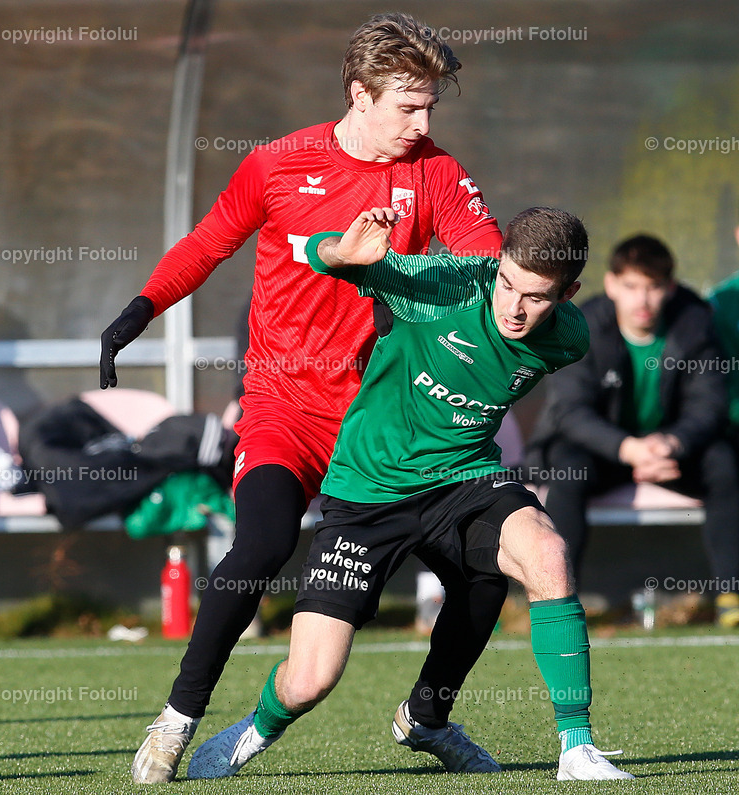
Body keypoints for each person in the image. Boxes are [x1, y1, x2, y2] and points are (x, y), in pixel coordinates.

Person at [101, 13, 507, 783]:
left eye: (431, 109)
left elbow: (485, 267)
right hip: (283, 405)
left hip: (385, 423)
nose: (423, 125)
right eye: (408, 108)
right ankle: (177, 719)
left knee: (484, 572)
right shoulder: (280, 164)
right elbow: (208, 243)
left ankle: (427, 716)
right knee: (258, 546)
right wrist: (140, 308)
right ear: (359, 94)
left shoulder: (437, 172)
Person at [186, 205, 633, 782]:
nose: (514, 309)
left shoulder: (568, 338)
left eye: (537, 297)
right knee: (310, 680)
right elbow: (319, 253)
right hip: (371, 487)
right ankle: (254, 730)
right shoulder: (446, 286)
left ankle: (575, 747)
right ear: (495, 264)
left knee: (546, 554)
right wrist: (340, 251)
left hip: (465, 477)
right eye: (507, 285)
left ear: (569, 293)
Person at [531, 234, 739, 624]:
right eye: (631, 286)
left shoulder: (695, 324)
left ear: (670, 288)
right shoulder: (581, 326)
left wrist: (673, 442)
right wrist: (627, 448)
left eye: (654, 287)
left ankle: (732, 596)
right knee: (567, 470)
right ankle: (554, 602)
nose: (642, 300)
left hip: (670, 455)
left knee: (724, 463)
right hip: (604, 452)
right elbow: (570, 412)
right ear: (611, 284)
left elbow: (709, 405)